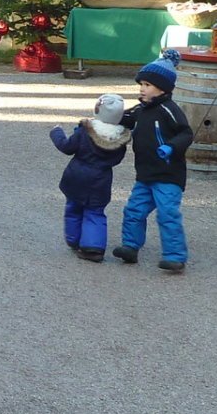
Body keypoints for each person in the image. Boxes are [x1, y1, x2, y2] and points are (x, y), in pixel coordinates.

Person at [114, 49, 194, 273]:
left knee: (167, 214)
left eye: (147, 85)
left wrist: (171, 147)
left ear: (162, 88)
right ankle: (130, 246)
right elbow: (125, 119)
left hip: (169, 175)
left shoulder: (170, 109)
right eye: (142, 84)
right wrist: (107, 113)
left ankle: (175, 256)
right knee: (133, 210)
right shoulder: (141, 109)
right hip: (146, 174)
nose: (142, 88)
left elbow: (186, 133)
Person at [51, 94, 129, 262]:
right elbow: (117, 159)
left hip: (77, 177)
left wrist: (56, 133)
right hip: (101, 180)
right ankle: (93, 247)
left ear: (97, 110)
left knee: (73, 208)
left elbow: (66, 147)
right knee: (95, 212)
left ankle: (74, 239)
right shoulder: (119, 139)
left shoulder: (85, 132)